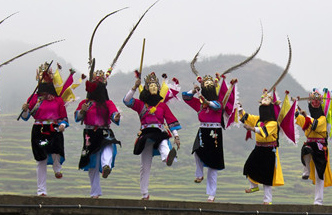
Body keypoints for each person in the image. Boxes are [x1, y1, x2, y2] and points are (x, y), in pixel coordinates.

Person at [123, 72, 181, 200]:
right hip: (145, 134)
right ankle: (144, 193)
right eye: (151, 86)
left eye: (156, 86)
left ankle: (167, 158)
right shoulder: (140, 104)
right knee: (145, 165)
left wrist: (176, 136)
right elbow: (126, 101)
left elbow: (171, 121)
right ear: (147, 89)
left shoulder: (162, 106)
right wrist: (134, 87)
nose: (154, 88)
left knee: (164, 143)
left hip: (159, 132)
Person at [182, 74, 235, 202]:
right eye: (206, 85)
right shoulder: (199, 104)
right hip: (202, 130)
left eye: (210, 85)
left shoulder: (218, 104)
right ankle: (199, 174)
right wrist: (193, 91)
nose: (208, 87)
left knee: (213, 165)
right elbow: (185, 97)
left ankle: (211, 194)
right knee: (197, 151)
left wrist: (206, 101)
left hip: (214, 133)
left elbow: (215, 106)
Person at [20, 63, 71, 196]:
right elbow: (26, 117)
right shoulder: (34, 99)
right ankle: (41, 190)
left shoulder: (58, 100)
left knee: (56, 149)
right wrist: (25, 109)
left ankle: (57, 167)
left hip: (54, 128)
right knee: (41, 158)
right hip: (39, 129)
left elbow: (64, 118)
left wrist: (62, 125)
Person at [75, 70, 121, 198]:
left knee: (108, 146)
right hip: (90, 132)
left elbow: (113, 114)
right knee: (92, 162)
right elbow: (77, 117)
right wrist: (82, 111)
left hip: (105, 130)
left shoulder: (108, 103)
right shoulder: (86, 103)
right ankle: (95, 192)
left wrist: (115, 116)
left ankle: (106, 165)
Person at [239, 91, 285, 205]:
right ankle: (253, 186)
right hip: (259, 148)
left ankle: (267, 200)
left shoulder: (273, 123)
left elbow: (264, 131)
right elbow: (248, 118)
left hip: (270, 150)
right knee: (248, 166)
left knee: (267, 176)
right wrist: (240, 109)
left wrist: (252, 129)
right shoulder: (259, 120)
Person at [295, 89, 332, 205]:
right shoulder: (306, 117)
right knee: (306, 150)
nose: (315, 103)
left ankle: (318, 200)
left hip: (320, 146)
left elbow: (315, 125)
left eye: (317, 101)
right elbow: (299, 117)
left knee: (319, 173)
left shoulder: (323, 118)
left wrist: (305, 115)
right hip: (310, 143)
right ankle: (306, 169)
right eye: (313, 101)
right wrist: (295, 105)